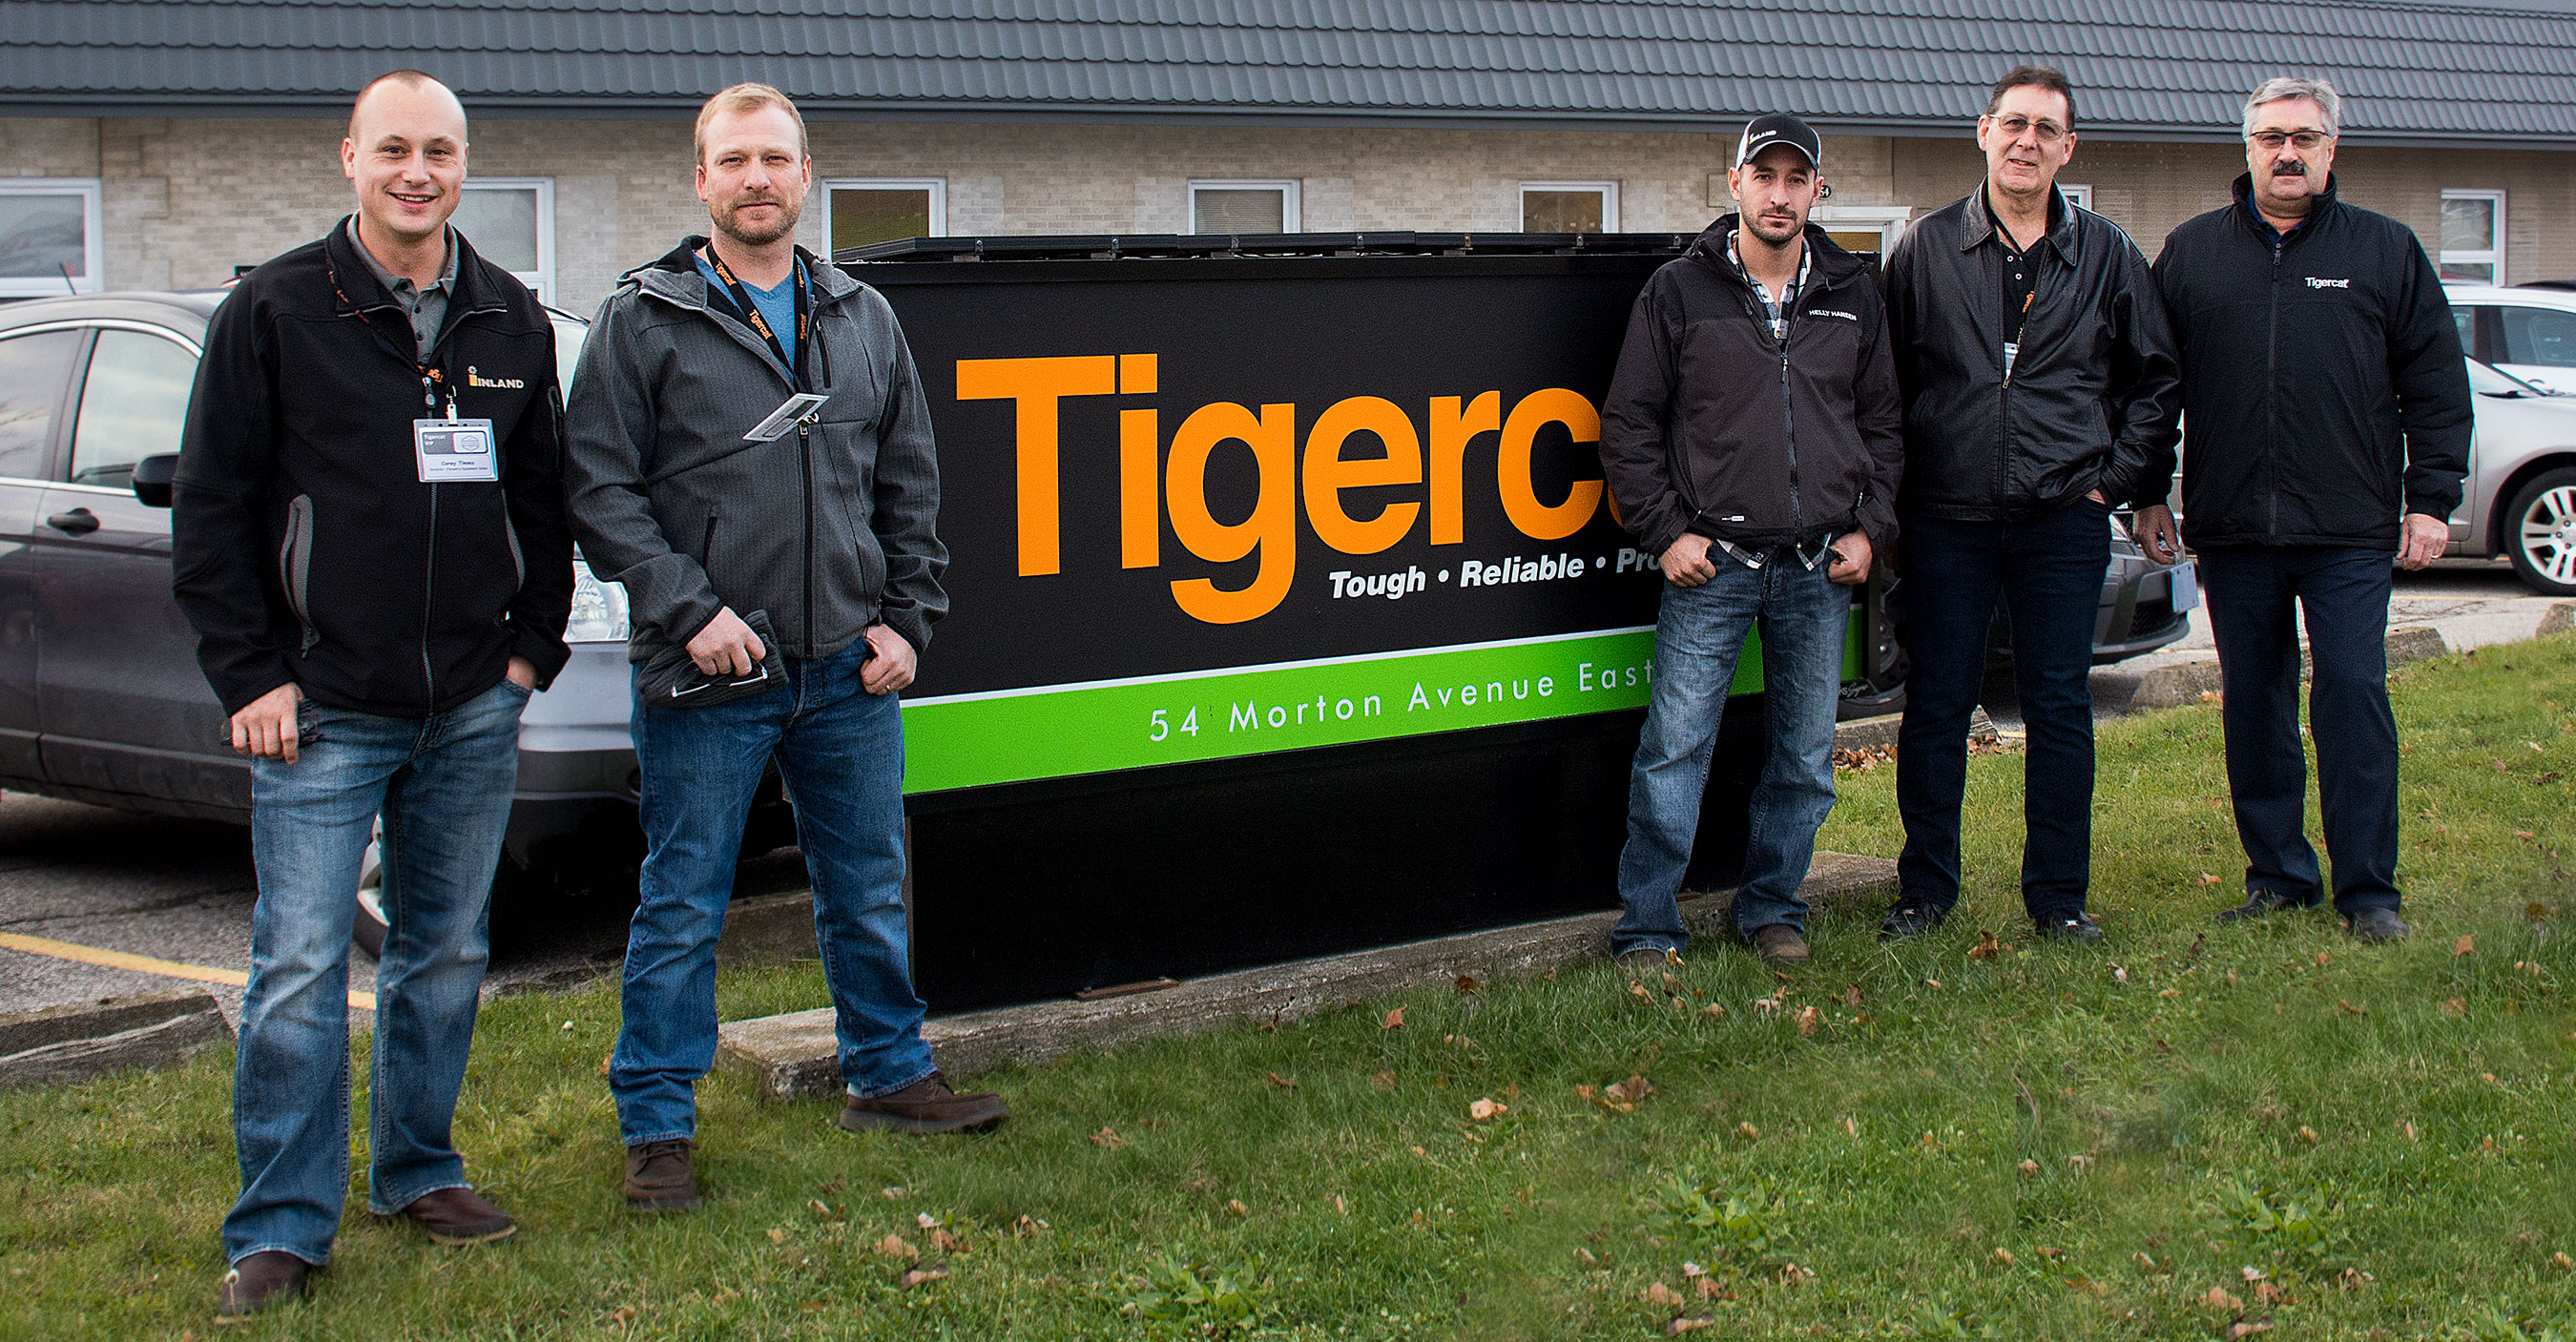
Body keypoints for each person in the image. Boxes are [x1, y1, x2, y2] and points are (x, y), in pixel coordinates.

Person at [172, 71, 573, 1320]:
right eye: (393, 148)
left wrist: (527, 654)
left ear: (465, 165)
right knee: (297, 962)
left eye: (440, 151)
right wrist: (251, 673)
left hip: (470, 698)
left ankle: (418, 1169)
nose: (418, 170)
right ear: (350, 158)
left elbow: (545, 503)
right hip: (323, 701)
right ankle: (283, 1225)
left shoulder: (509, 320)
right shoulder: (275, 308)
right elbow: (213, 507)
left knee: (444, 950)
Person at [565, 83, 1005, 1213]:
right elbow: (599, 489)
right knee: (684, 906)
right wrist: (685, 609)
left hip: (846, 672)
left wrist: (910, 621)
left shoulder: (862, 315)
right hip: (711, 668)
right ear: (700, 180)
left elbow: (910, 482)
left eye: (775, 159)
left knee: (864, 886)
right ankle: (657, 1127)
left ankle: (890, 1073)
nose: (756, 178)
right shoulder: (642, 319)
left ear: (807, 176)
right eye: (733, 160)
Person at [2152, 77, 2470, 942]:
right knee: (2253, 703)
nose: (2286, 152)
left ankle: (2369, 891)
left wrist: (2432, 499)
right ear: (2246, 148)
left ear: (2332, 150)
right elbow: (2151, 384)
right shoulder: (2191, 254)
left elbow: (2437, 386)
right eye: (2270, 138)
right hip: (2233, 529)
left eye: (2304, 137)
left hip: (2348, 532)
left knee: (2354, 694)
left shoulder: (2386, 251)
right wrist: (2149, 488)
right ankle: (2279, 875)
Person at [1879, 65, 2183, 943]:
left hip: (2062, 517)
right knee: (1937, 707)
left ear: (2068, 148)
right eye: (2014, 124)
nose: (2027, 142)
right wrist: (1895, 507)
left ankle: (2058, 899)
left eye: (2047, 130)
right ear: (1983, 132)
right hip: (1946, 518)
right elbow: (1885, 389)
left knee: (2058, 708)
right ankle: (1926, 893)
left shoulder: (2108, 255)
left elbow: (2154, 380)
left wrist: (2112, 483)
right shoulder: (1926, 250)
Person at [1597, 114, 1902, 969]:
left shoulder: (1851, 289)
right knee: (1674, 751)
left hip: (1817, 566)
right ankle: (1649, 925)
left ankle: (1773, 907)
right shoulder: (1678, 291)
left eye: (1795, 178)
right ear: (1734, 184)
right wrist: (1665, 533)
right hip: (1713, 567)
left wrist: (1871, 528)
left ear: (1815, 191)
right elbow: (1627, 426)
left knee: (1805, 759)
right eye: (1763, 176)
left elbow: (1883, 425)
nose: (1779, 194)